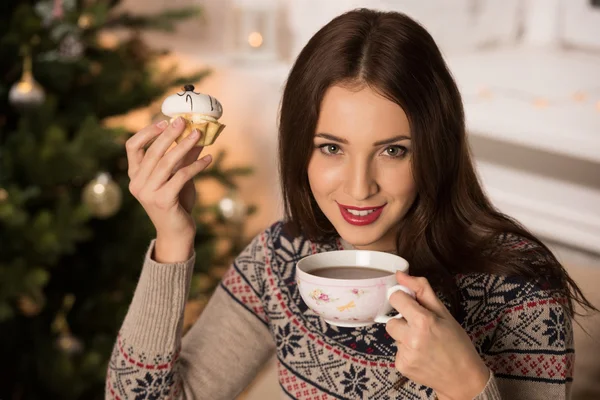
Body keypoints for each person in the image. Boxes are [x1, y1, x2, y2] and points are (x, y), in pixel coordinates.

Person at [105, 8, 595, 400]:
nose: (359, 188)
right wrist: (173, 238)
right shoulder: (279, 259)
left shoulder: (520, 293)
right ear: (301, 149)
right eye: (332, 148)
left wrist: (468, 386)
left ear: (435, 149)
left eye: (393, 150)